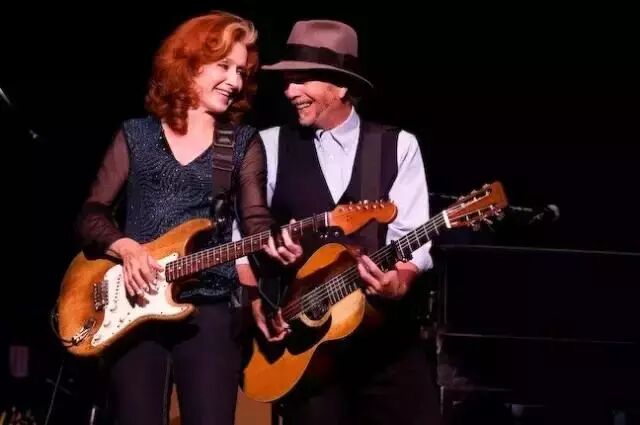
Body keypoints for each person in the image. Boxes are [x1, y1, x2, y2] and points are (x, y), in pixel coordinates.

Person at [75, 11, 300, 425]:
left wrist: (276, 243)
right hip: (135, 306)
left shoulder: (241, 142)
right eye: (224, 66)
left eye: (241, 71)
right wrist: (125, 247)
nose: (234, 81)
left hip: (209, 310)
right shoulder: (136, 135)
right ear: (190, 63)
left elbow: (255, 221)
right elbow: (91, 214)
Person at [247, 19, 443, 425]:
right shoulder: (268, 145)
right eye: (287, 81)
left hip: (384, 343)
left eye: (301, 80)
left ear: (338, 86)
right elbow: (245, 233)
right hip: (307, 350)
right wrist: (258, 292)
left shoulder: (397, 145)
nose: (289, 92)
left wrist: (398, 282)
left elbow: (412, 237)